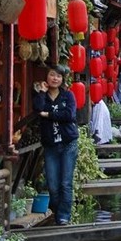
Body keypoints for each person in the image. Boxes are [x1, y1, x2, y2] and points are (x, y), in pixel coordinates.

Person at [32, 65, 79, 226]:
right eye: (52, 75)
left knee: (65, 183)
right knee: (52, 185)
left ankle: (63, 217)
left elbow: (69, 115)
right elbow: (37, 108)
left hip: (68, 143)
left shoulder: (68, 96)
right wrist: (42, 92)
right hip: (50, 145)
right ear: (47, 77)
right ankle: (57, 213)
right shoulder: (42, 96)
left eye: (58, 76)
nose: (55, 78)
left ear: (62, 79)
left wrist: (48, 114)